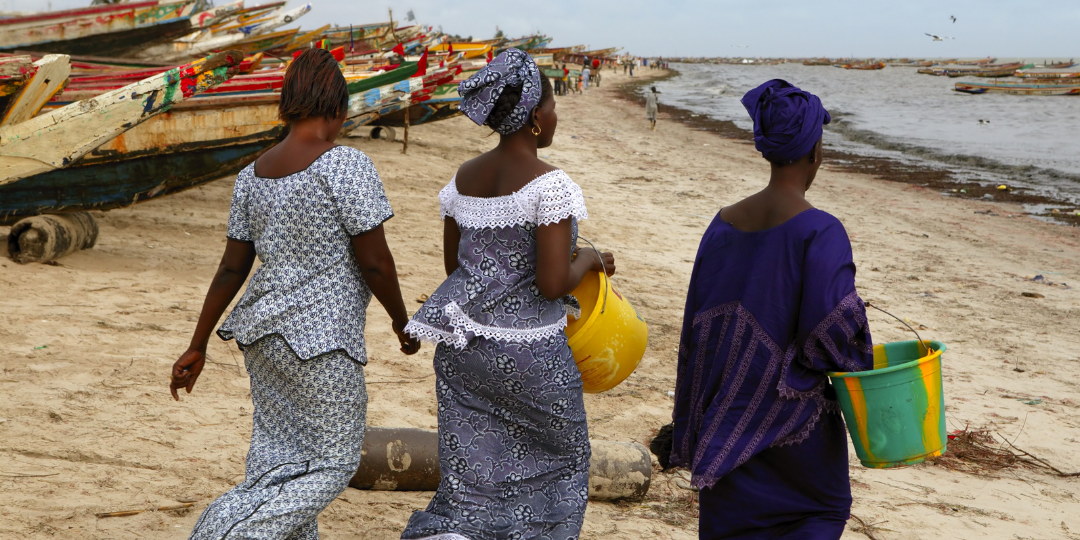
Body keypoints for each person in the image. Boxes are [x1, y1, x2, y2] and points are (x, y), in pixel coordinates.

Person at [170, 48, 421, 539]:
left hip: (262, 337)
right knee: (333, 462)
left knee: (278, 460)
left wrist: (198, 343)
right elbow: (375, 262)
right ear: (338, 107)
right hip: (322, 342)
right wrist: (399, 321)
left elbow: (230, 269)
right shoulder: (345, 166)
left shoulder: (252, 175)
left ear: (289, 103)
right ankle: (226, 532)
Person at [399, 48, 615, 540]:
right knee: (564, 461)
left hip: (463, 350)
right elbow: (553, 283)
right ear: (536, 119)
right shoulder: (550, 186)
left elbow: (457, 268)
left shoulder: (462, 181)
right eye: (554, 106)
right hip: (530, 354)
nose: (556, 116)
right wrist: (592, 259)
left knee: (474, 474)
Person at [670, 79, 873, 540]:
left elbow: (694, 333)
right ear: (815, 152)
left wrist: (691, 422)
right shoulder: (821, 230)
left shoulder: (721, 225)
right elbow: (831, 335)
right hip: (795, 441)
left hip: (724, 428)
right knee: (823, 517)